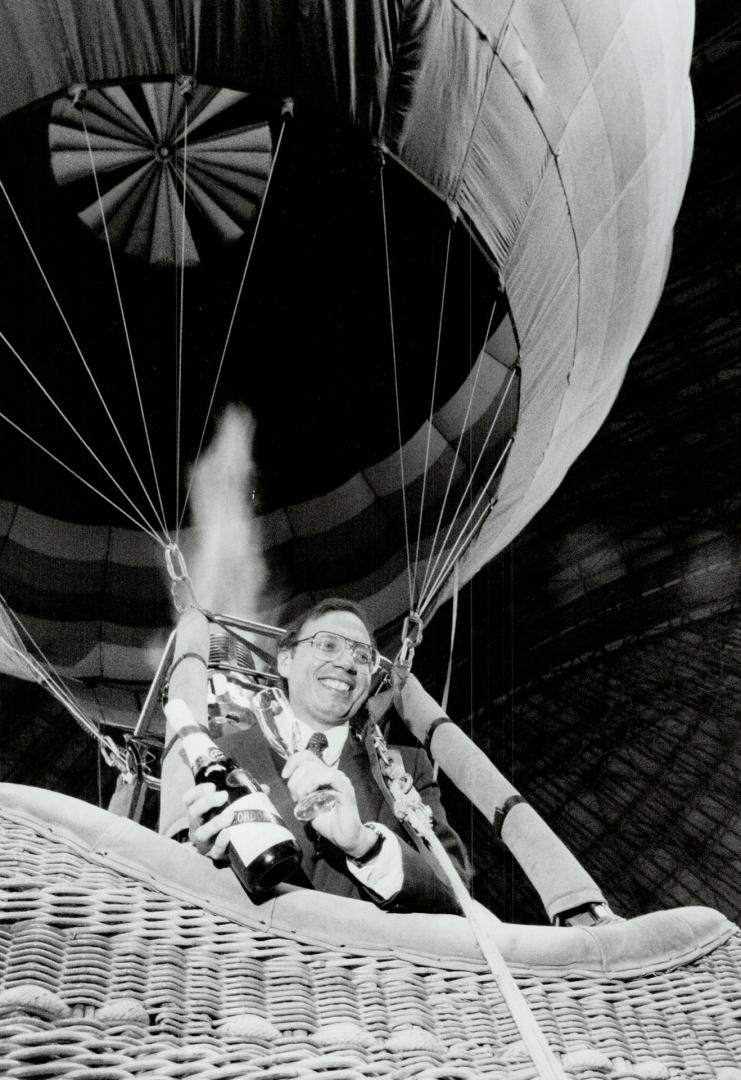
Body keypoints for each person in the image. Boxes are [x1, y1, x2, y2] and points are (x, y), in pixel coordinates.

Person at [185, 598, 469, 913]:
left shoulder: (406, 768)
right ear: (286, 661)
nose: (348, 664)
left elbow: (457, 893)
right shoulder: (226, 756)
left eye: (362, 656)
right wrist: (201, 857)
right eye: (328, 645)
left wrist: (365, 845)